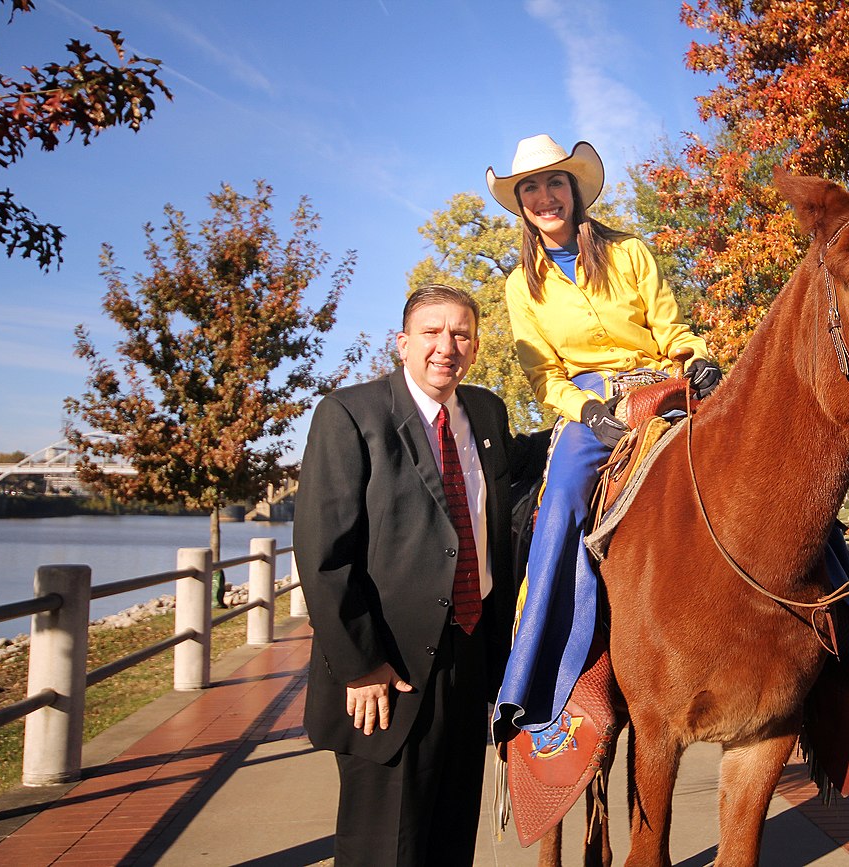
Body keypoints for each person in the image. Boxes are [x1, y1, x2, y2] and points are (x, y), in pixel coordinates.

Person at [484, 134, 723, 743]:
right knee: (560, 502)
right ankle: (531, 680)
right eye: (530, 188)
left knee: (756, 463)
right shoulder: (522, 285)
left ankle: (838, 645)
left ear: (574, 190)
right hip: (591, 403)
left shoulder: (631, 252)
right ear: (520, 202)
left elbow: (673, 329)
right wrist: (588, 412)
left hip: (661, 384)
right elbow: (543, 374)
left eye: (554, 183)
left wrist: (697, 358)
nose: (544, 196)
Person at [295, 284, 529, 866]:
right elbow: (324, 555)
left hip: (473, 656)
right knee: (387, 849)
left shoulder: (486, 412)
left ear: (474, 347)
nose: (446, 346)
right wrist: (360, 665)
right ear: (402, 343)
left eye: (461, 334)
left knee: (450, 840)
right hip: (387, 672)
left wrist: (609, 415)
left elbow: (526, 464)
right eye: (432, 332)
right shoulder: (349, 414)